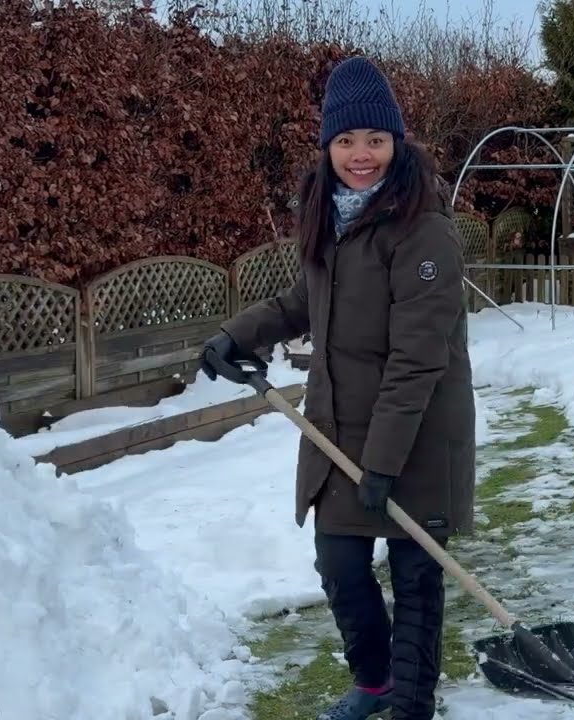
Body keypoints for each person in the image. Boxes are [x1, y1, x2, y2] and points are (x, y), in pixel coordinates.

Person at [198, 56, 476, 720]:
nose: (361, 155)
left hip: (417, 432)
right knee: (341, 565)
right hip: (341, 427)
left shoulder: (424, 231)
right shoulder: (332, 219)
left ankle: (411, 701)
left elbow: (417, 359)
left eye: (375, 140)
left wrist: (384, 462)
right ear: (327, 146)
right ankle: (374, 681)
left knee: (415, 575)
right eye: (346, 140)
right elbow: (306, 300)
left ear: (396, 143)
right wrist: (236, 335)